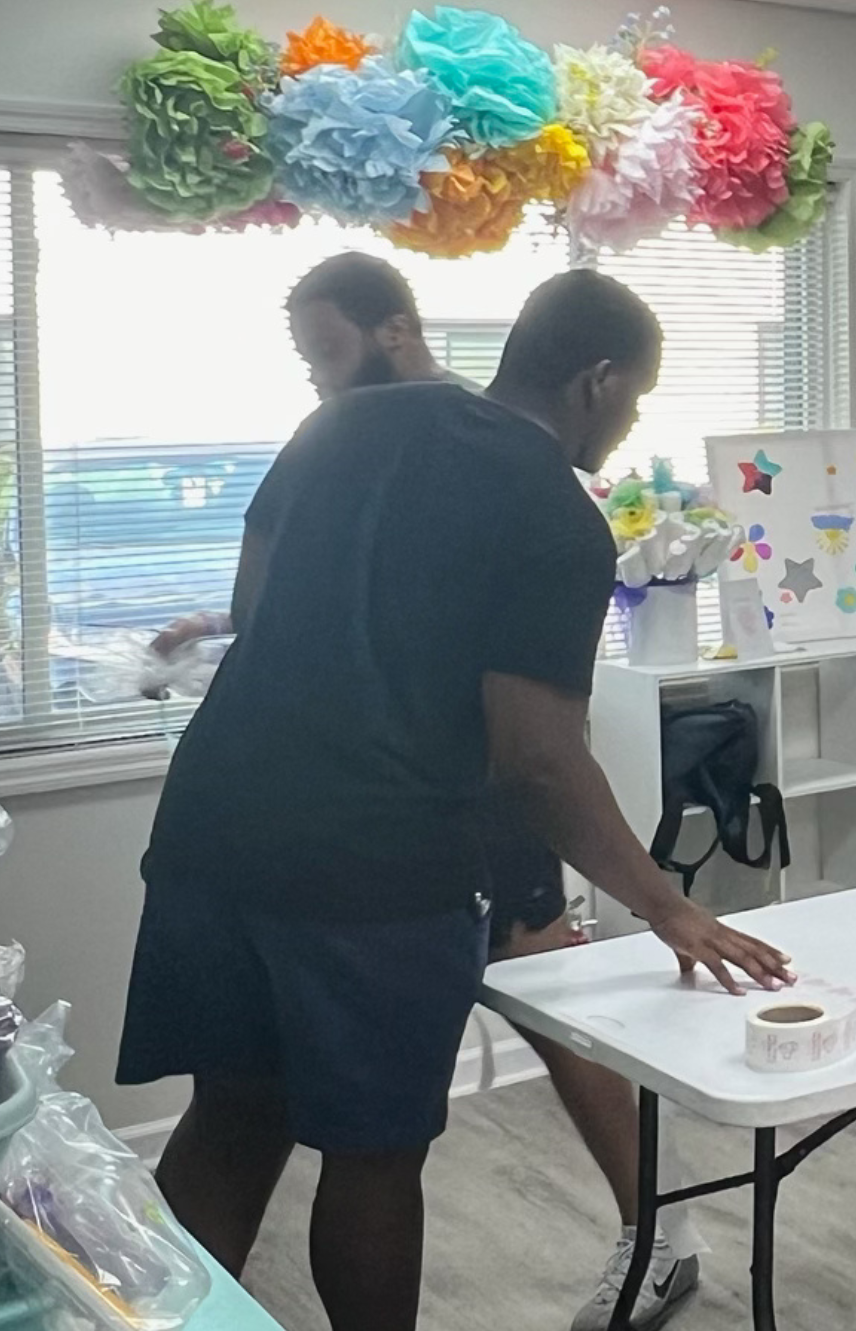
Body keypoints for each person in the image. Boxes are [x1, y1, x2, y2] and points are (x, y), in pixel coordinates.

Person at [119, 269, 793, 1331]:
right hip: (373, 870)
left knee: (232, 1115)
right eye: (634, 399)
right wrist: (668, 904)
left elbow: (255, 605)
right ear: (597, 379)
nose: (628, 423)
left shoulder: (344, 426)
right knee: (375, 1156)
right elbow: (537, 755)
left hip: (212, 831)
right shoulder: (553, 512)